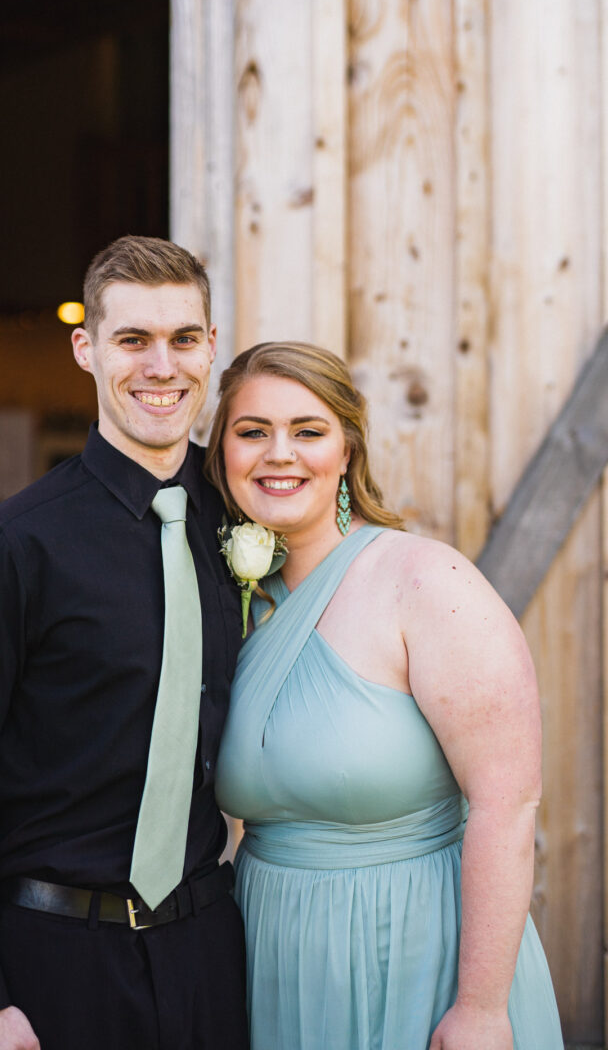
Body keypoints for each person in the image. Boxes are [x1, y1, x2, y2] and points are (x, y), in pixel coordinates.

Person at [0, 236, 250, 1050]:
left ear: (210, 347)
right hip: (55, 960)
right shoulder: (10, 546)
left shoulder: (241, 516)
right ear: (86, 349)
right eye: (133, 340)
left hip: (210, 950)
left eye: (182, 339)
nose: (161, 366)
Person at [204, 340, 564, 1050]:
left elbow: (507, 802)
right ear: (222, 454)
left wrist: (481, 1007)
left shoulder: (423, 581)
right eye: (253, 431)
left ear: (347, 451)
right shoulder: (231, 603)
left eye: (308, 431)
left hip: (411, 950)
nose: (280, 453)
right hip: (271, 954)